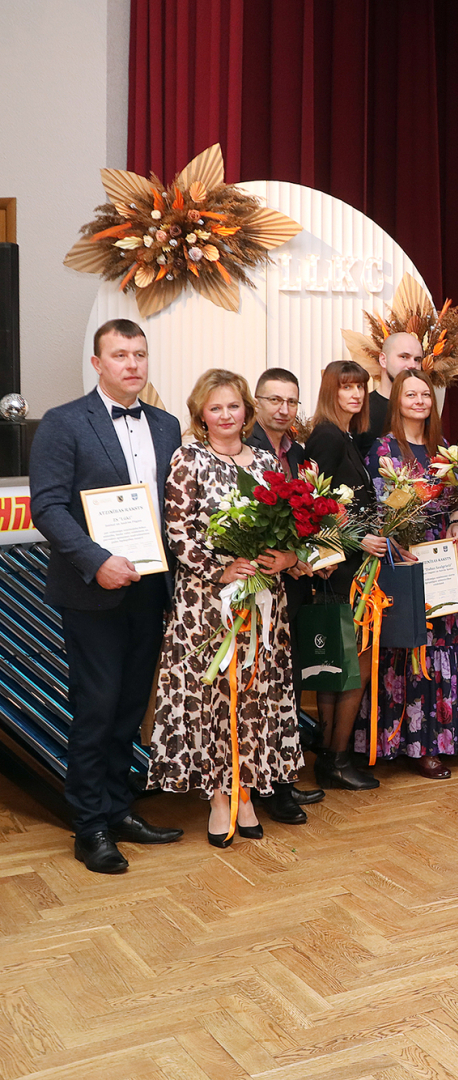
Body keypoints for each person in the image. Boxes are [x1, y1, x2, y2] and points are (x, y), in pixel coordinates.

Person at [30, 318, 185, 872]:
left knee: (129, 708)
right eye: (120, 355)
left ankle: (119, 809)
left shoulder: (166, 425)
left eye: (139, 354)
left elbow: (175, 507)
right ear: (97, 363)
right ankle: (90, 825)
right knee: (96, 707)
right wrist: (97, 562)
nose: (132, 364)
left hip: (151, 587)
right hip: (92, 590)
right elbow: (47, 507)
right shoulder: (64, 422)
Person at [150, 369, 302, 847]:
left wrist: (287, 558)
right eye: (215, 408)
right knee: (214, 698)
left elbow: (292, 526)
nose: (225, 415)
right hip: (206, 604)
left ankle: (247, 791)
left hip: (263, 600)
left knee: (255, 695)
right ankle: (219, 796)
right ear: (201, 414)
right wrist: (221, 570)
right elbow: (177, 534)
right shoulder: (188, 458)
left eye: (233, 406)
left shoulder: (266, 461)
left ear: (246, 411)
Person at [360, 370, 458, 778]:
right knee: (405, 648)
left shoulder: (443, 450)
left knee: (438, 645)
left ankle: (434, 742)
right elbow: (376, 509)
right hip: (401, 559)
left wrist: (456, 523)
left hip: (439, 559)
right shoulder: (383, 449)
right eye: (411, 394)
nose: (420, 400)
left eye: (425, 394)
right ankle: (399, 743)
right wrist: (396, 543)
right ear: (397, 401)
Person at [302, 360, 390, 790]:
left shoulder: (347, 435)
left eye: (360, 387)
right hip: (339, 570)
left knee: (340, 667)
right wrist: (358, 539)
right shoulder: (327, 435)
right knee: (351, 667)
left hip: (350, 567)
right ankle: (335, 758)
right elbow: (314, 505)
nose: (355, 394)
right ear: (330, 391)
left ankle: (331, 757)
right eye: (346, 387)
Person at [244, 367, 325, 817]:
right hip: (255, 588)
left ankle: (281, 780)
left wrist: (306, 555)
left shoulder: (299, 453)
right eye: (274, 400)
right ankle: (262, 787)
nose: (283, 409)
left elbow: (307, 517)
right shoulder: (244, 448)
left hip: (292, 587)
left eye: (291, 401)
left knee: (286, 686)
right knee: (258, 689)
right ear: (256, 402)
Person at [365, 332, 424, 450]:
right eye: (404, 357)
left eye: (417, 359)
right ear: (383, 360)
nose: (412, 365)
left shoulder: (421, 408)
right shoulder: (363, 409)